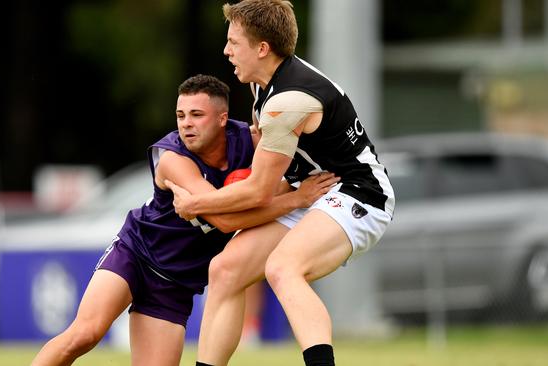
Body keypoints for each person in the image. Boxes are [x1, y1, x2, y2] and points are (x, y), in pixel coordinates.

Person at [30, 74, 339, 366]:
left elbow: (285, 160)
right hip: (135, 254)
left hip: (175, 283)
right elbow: (224, 222)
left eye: (196, 115)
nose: (186, 125)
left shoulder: (250, 141)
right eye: (181, 116)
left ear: (221, 118)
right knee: (85, 334)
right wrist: (296, 200)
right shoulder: (173, 159)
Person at [165, 2, 395, 366]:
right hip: (311, 192)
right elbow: (279, 180)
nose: (226, 51)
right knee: (224, 270)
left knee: (283, 267)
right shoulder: (266, 90)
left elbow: (258, 189)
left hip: (360, 194)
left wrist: (196, 205)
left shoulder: (286, 101)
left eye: (233, 42)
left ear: (262, 48)